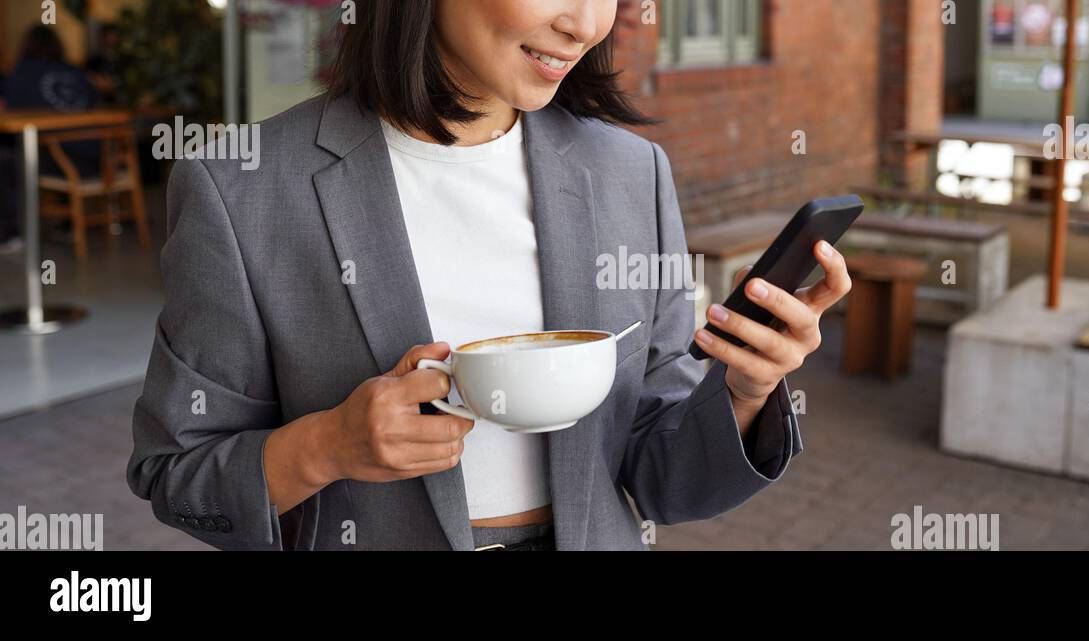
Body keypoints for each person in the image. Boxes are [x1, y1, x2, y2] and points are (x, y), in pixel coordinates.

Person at [127, 0, 850, 551]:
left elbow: (659, 475)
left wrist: (747, 391)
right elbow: (177, 474)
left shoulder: (630, 173)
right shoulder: (244, 188)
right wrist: (327, 445)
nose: (588, 23)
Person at [0, 25, 102, 252]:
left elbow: (13, 111)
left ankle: (11, 233)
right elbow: (97, 101)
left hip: (62, 162)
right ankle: (67, 224)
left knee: (8, 158)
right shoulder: (74, 71)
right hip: (98, 159)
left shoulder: (23, 73)